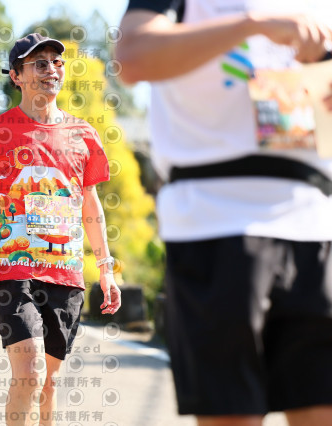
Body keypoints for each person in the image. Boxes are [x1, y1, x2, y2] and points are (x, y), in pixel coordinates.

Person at [116, 2, 332, 425]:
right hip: (213, 222)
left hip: (317, 223)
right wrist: (252, 25)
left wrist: (319, 65)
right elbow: (133, 56)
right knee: (233, 415)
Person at [0, 33, 122, 425]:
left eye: (57, 63)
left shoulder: (83, 135)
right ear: (16, 76)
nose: (51, 70)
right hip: (11, 270)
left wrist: (105, 268)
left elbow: (90, 205)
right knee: (31, 372)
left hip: (66, 273)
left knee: (48, 385)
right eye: (39, 63)